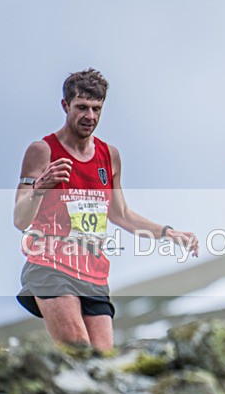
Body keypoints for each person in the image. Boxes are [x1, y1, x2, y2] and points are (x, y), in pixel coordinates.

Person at [14, 68, 198, 352]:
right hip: (50, 265)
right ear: (65, 105)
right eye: (82, 107)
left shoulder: (109, 156)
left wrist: (169, 233)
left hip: (93, 272)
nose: (90, 116)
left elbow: (121, 214)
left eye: (96, 108)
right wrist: (41, 186)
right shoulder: (42, 151)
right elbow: (19, 219)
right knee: (80, 351)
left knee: (103, 360)